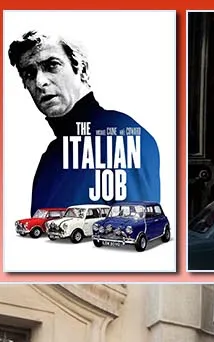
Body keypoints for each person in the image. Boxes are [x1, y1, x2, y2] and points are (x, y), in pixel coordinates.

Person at [8, 30, 162, 215]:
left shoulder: (122, 136)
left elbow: (132, 231)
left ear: (82, 70)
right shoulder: (51, 156)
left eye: (52, 65)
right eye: (30, 74)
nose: (40, 82)